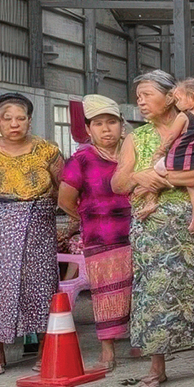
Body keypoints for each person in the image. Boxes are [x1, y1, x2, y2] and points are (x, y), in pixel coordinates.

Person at [112, 69, 194, 387]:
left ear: (171, 97)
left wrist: (161, 180)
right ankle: (157, 368)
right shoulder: (136, 138)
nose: (140, 102)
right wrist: (140, 177)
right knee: (155, 296)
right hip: (154, 236)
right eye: (138, 97)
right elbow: (119, 183)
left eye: (147, 95)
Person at [0, 92, 63, 375]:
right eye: (7, 118)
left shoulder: (47, 150)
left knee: (39, 283)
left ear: (29, 120)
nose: (14, 124)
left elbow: (64, 186)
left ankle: (43, 347)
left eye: (20, 118)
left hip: (37, 222)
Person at [57, 94, 132, 370]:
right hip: (101, 236)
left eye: (111, 122)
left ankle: (139, 344)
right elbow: (64, 199)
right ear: (88, 129)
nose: (106, 129)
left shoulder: (130, 154)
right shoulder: (82, 159)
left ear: (121, 125)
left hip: (135, 232)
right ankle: (108, 351)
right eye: (98, 124)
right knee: (105, 292)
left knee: (137, 289)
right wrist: (87, 217)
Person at [149, 78, 194, 235]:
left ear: (193, 98)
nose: (177, 104)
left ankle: (150, 201)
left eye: (179, 99)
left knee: (155, 169)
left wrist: (161, 151)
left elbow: (170, 136)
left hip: (177, 160)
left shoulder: (184, 117)